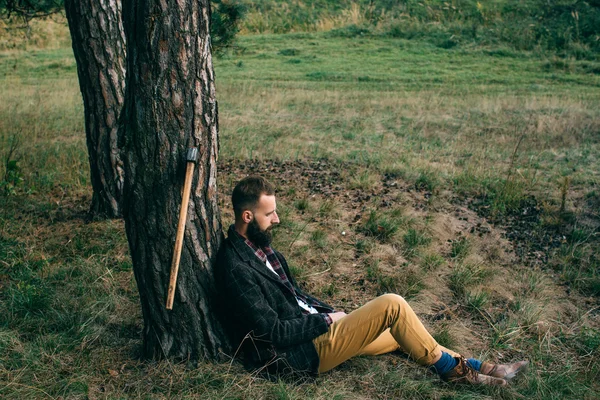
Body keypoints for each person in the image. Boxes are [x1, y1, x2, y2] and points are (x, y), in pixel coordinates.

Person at [215, 176, 528, 385]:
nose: (277, 219)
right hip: (299, 355)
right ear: (247, 217)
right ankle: (458, 373)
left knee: (399, 332)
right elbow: (273, 333)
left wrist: (333, 318)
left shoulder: (264, 250)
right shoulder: (235, 266)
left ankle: (478, 367)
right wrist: (327, 320)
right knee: (392, 304)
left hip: (318, 330)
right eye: (269, 214)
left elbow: (296, 299)